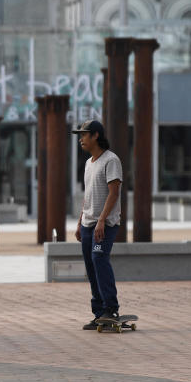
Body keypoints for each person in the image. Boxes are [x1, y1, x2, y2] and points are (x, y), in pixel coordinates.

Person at [72, 120, 124, 330]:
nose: (80, 139)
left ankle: (111, 309)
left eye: (84, 135)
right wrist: (79, 222)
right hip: (87, 223)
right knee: (91, 267)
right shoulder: (88, 163)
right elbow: (88, 196)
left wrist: (102, 220)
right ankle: (99, 312)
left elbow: (114, 192)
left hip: (106, 223)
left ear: (95, 136)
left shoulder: (111, 160)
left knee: (99, 259)